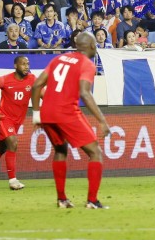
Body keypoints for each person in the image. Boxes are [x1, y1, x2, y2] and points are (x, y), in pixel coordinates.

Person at [30, 32, 110, 209]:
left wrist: (36, 114)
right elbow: (84, 93)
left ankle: (62, 199)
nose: (96, 47)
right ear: (90, 46)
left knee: (60, 150)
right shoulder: (87, 64)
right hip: (66, 112)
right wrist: (102, 120)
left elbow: (36, 85)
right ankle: (92, 201)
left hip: (47, 113)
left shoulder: (59, 59)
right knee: (95, 152)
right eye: (95, 44)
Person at [0, 54, 34, 192]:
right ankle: (12, 180)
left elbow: (42, 93)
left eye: (27, 64)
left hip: (18, 120)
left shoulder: (32, 79)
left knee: (1, 148)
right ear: (15, 66)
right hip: (4, 118)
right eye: (23, 64)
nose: (26, 66)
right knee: (13, 142)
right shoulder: (4, 80)